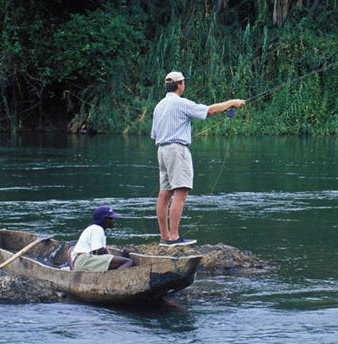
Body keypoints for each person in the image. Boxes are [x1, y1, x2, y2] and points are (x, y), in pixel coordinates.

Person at [151, 70, 245, 245]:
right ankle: (174, 237)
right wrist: (232, 102)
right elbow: (209, 111)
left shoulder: (159, 106)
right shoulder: (180, 103)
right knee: (180, 193)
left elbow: (154, 135)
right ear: (180, 85)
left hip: (162, 151)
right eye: (183, 83)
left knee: (164, 194)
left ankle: (164, 237)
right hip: (177, 150)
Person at [71, 206, 133, 270]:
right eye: (110, 218)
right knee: (128, 261)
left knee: (120, 261)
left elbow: (101, 254)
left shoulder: (94, 228)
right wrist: (120, 259)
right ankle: (115, 279)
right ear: (104, 220)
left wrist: (120, 257)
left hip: (82, 261)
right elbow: (97, 252)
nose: (113, 221)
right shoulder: (97, 229)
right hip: (84, 261)